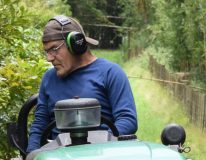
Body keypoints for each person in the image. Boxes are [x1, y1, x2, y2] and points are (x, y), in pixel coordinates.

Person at [27, 15, 138, 152]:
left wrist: (101, 145)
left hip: (103, 156)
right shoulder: (49, 79)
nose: (49, 58)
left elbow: (127, 120)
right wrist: (31, 155)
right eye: (47, 52)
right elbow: (40, 125)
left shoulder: (110, 73)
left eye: (54, 49)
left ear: (76, 44)